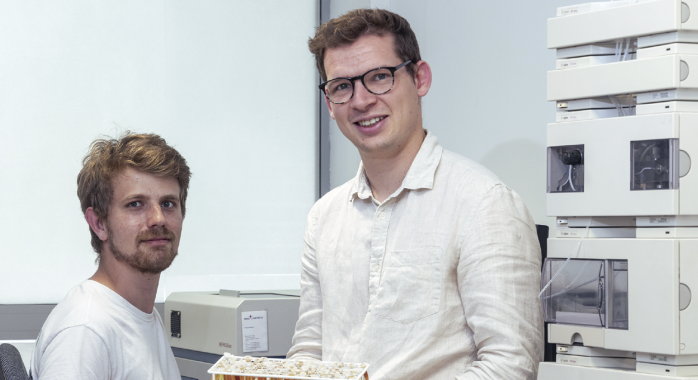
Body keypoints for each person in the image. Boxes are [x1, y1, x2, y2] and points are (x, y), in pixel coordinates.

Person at [287, 9, 543, 379]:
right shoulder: (324, 216)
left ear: (419, 78)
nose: (361, 101)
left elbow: (509, 365)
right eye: (342, 86)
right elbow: (309, 350)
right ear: (329, 103)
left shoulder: (484, 203)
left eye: (379, 77)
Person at [30, 132, 191, 379]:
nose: (158, 218)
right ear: (99, 224)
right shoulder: (85, 330)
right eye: (136, 204)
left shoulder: (142, 315)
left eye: (168, 203)